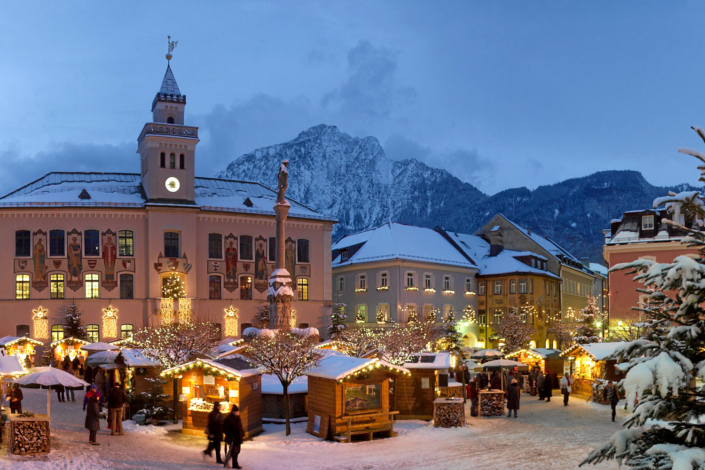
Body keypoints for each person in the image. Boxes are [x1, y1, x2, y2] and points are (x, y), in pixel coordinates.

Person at [223, 404, 245, 469]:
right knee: (234, 451)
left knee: (237, 451)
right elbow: (224, 428)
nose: (237, 413)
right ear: (233, 412)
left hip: (238, 437)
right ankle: (234, 464)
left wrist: (242, 433)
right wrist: (230, 435)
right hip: (232, 438)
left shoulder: (238, 418)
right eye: (236, 412)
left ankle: (228, 459)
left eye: (238, 411)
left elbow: (240, 426)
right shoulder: (229, 419)